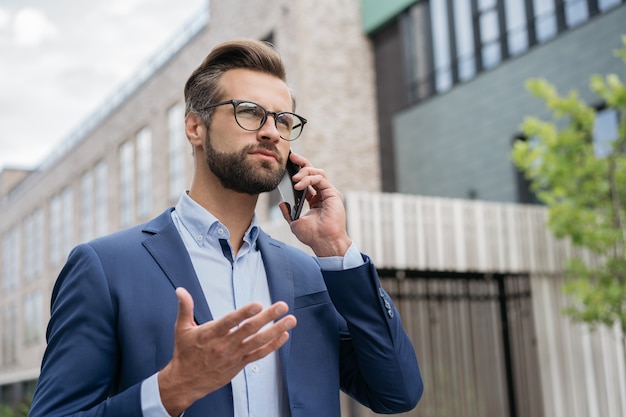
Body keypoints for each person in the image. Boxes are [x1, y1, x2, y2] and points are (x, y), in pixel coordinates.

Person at [28, 38, 423, 417]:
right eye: (249, 111)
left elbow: (397, 392)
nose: (271, 131)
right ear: (195, 128)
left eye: (283, 120)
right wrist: (170, 391)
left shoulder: (308, 274)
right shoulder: (105, 268)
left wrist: (335, 247)